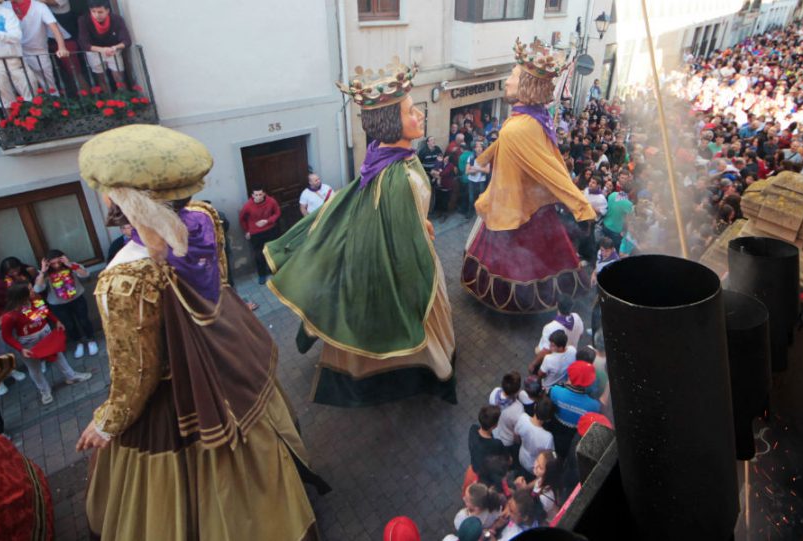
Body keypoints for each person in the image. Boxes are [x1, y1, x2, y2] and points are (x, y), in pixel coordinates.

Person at [74, 124, 323, 539]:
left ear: (128, 198)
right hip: (226, 357)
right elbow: (217, 288)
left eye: (107, 187)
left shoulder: (124, 278)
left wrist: (107, 422)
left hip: (177, 400)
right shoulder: (204, 219)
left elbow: (137, 373)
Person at [265, 59, 456, 407]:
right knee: (410, 317)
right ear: (390, 121)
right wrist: (419, 250)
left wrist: (421, 221)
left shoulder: (382, 156)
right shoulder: (399, 176)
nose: (420, 116)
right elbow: (401, 235)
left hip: (399, 241)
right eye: (412, 111)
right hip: (401, 260)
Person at [462, 38, 596, 313]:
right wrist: (484, 157)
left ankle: (519, 303)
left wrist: (581, 207)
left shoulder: (520, 126)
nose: (507, 81)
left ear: (525, 84)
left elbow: (551, 171)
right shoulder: (530, 117)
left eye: (511, 75)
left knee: (519, 261)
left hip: (517, 206)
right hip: (520, 200)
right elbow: (505, 143)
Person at [0, 282, 92, 405]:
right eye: (30, 289)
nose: (33, 290)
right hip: (28, 342)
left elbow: (46, 311)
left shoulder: (35, 300)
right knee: (34, 368)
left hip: (45, 332)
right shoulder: (9, 316)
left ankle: (71, 376)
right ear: (21, 296)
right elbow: (6, 336)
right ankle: (44, 390)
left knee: (58, 355)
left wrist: (57, 321)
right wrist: (20, 349)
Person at [34, 249, 98, 358]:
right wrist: (43, 272)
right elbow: (38, 289)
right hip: (58, 304)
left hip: (77, 299)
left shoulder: (72, 266)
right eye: (53, 263)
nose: (57, 265)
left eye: (59, 262)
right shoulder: (45, 274)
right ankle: (78, 342)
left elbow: (85, 274)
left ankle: (91, 340)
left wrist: (69, 265)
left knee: (84, 320)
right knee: (69, 325)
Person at [10, 0, 70, 94]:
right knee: (25, 87)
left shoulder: (39, 6)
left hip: (39, 50)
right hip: (17, 52)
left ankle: (55, 105)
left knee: (50, 87)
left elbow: (54, 28)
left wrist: (62, 47)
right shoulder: (5, 6)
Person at [77, 0, 131, 90]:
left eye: (100, 12)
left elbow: (126, 41)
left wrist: (115, 47)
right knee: (101, 79)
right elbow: (84, 43)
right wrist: (102, 49)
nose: (97, 15)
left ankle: (124, 100)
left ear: (108, 11)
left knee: (119, 78)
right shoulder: (84, 20)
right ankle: (108, 101)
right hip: (94, 52)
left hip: (113, 50)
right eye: (93, 12)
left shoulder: (116, 19)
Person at [239, 186, 281, 284]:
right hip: (256, 233)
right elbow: (242, 219)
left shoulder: (271, 201)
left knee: (272, 251)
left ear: (264, 194)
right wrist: (247, 231)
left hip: (270, 229)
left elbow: (277, 213)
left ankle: (274, 270)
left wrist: (267, 221)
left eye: (260, 194)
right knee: (259, 255)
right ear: (252, 195)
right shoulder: (248, 206)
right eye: (256, 195)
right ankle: (262, 275)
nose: (258, 197)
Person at [548, 362, 602, 429]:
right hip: (575, 432)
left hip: (555, 424)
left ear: (569, 376)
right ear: (589, 382)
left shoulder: (555, 390)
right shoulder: (595, 406)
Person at [513, 450, 564, 517]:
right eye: (537, 460)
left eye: (540, 467)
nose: (535, 466)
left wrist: (522, 491)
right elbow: (536, 482)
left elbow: (533, 513)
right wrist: (525, 487)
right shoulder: (541, 478)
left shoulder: (544, 497)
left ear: (548, 474)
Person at [514, 399, 556, 479]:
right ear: (548, 419)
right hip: (535, 465)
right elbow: (549, 456)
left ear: (535, 406)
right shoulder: (548, 437)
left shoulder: (523, 418)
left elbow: (516, 435)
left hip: (522, 455)